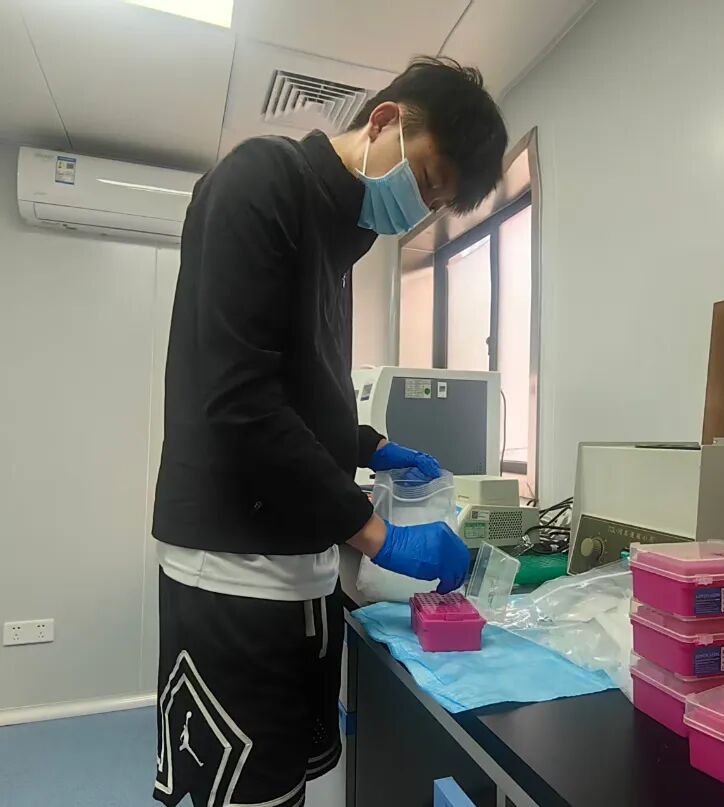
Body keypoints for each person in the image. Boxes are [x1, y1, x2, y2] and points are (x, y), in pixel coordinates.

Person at [150, 56, 508, 807]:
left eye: (436, 204)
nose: (420, 210)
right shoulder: (261, 181)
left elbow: (304, 393)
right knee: (242, 793)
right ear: (385, 122)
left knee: (288, 786)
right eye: (427, 180)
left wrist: (370, 446)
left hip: (300, 573)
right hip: (234, 569)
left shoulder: (340, 242)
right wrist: (377, 534)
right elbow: (240, 400)